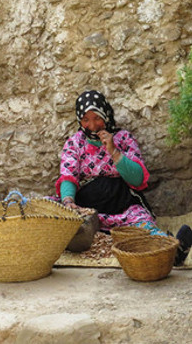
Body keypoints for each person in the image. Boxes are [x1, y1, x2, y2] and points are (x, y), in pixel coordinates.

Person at [53, 90, 192, 266]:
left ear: (107, 115)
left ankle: (172, 250)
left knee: (144, 226)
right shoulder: (75, 143)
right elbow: (68, 175)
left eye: (97, 118)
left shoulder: (123, 138)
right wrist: (68, 201)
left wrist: (114, 151)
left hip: (122, 203)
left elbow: (138, 179)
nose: (92, 125)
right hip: (88, 206)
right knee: (48, 210)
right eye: (85, 120)